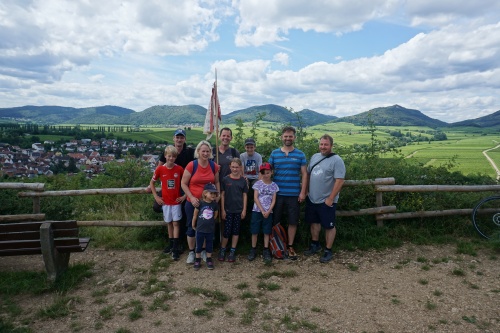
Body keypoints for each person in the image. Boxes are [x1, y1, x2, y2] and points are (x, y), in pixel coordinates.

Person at [148, 128, 195, 254]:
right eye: (177, 137)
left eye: (181, 137)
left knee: (185, 210)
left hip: (183, 186)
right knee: (158, 206)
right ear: (173, 138)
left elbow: (201, 157)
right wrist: (151, 187)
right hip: (169, 188)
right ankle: (173, 241)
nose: (179, 139)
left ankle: (180, 242)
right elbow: (158, 170)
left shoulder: (190, 152)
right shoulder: (167, 152)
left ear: (184, 139)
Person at [304, 134, 345, 263]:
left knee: (329, 226)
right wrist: (306, 191)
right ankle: (315, 245)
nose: (323, 147)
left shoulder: (337, 160)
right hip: (312, 198)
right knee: (314, 223)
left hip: (327, 200)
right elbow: (309, 174)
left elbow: (340, 180)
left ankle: (328, 250)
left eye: (326, 145)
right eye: (321, 144)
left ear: (331, 146)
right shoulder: (315, 157)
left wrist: (331, 198)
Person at [268, 126, 307, 260]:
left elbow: (304, 174)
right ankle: (276, 246)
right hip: (276, 194)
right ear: (282, 137)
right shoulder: (274, 154)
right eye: (286, 136)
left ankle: (290, 246)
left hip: (293, 194)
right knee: (275, 221)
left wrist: (303, 192)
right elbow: (267, 172)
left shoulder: (300, 154)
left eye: (290, 136)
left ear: (294, 138)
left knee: (293, 221)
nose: (288, 138)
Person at [181, 140, 220, 265]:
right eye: (203, 151)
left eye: (208, 151)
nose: (205, 153)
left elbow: (217, 182)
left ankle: (203, 250)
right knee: (191, 227)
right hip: (193, 203)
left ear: (210, 153)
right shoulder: (192, 165)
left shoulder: (213, 166)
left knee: (206, 227)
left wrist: (217, 195)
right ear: (198, 152)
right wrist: (191, 197)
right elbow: (183, 183)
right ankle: (192, 252)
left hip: (208, 203)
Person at [149, 145, 185, 260]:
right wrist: (156, 197)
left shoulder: (179, 169)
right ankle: (170, 244)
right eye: (169, 156)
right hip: (165, 202)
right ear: (165, 156)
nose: (171, 158)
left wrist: (184, 196)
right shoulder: (160, 169)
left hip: (176, 202)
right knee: (169, 223)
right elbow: (152, 183)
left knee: (176, 224)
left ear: (176, 157)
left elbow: (187, 182)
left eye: (173, 156)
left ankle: (175, 247)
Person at [218, 158, 248, 262]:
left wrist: (244, 210)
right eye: (233, 167)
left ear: (240, 168)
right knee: (226, 231)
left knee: (236, 231)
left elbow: (244, 196)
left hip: (238, 210)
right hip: (228, 210)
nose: (235, 169)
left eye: (237, 167)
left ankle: (232, 250)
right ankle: (222, 249)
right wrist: (223, 210)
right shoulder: (226, 180)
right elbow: (222, 195)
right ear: (230, 167)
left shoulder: (243, 181)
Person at [248, 162, 279, 262]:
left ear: (271, 172)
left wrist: (269, 210)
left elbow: (274, 199)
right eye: (263, 173)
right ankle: (253, 249)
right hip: (257, 211)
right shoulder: (258, 184)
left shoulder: (274, 185)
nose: (266, 175)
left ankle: (266, 249)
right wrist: (262, 210)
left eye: (268, 172)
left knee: (267, 231)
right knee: (254, 230)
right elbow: (255, 197)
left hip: (268, 212)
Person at [192, 183, 219, 270]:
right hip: (200, 228)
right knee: (199, 244)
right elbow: (195, 215)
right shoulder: (200, 203)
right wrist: (193, 223)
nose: (213, 195)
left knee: (209, 244)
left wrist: (210, 221)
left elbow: (215, 215)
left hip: (210, 229)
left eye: (214, 193)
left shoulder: (215, 205)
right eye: (211, 193)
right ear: (205, 193)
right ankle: (197, 259)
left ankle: (209, 259)